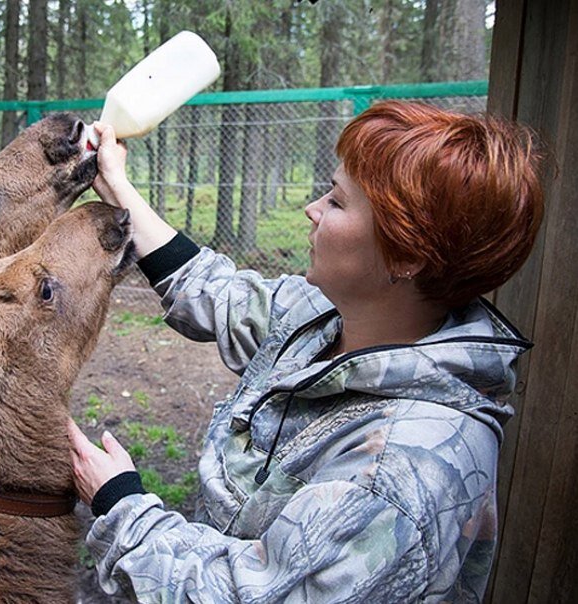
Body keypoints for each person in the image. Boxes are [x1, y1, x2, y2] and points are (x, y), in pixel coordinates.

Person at [68, 100, 544, 603]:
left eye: (337, 202)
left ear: (405, 255)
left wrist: (121, 504)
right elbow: (219, 293)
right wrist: (117, 185)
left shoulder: (396, 476)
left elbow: (247, 596)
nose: (312, 209)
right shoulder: (329, 315)